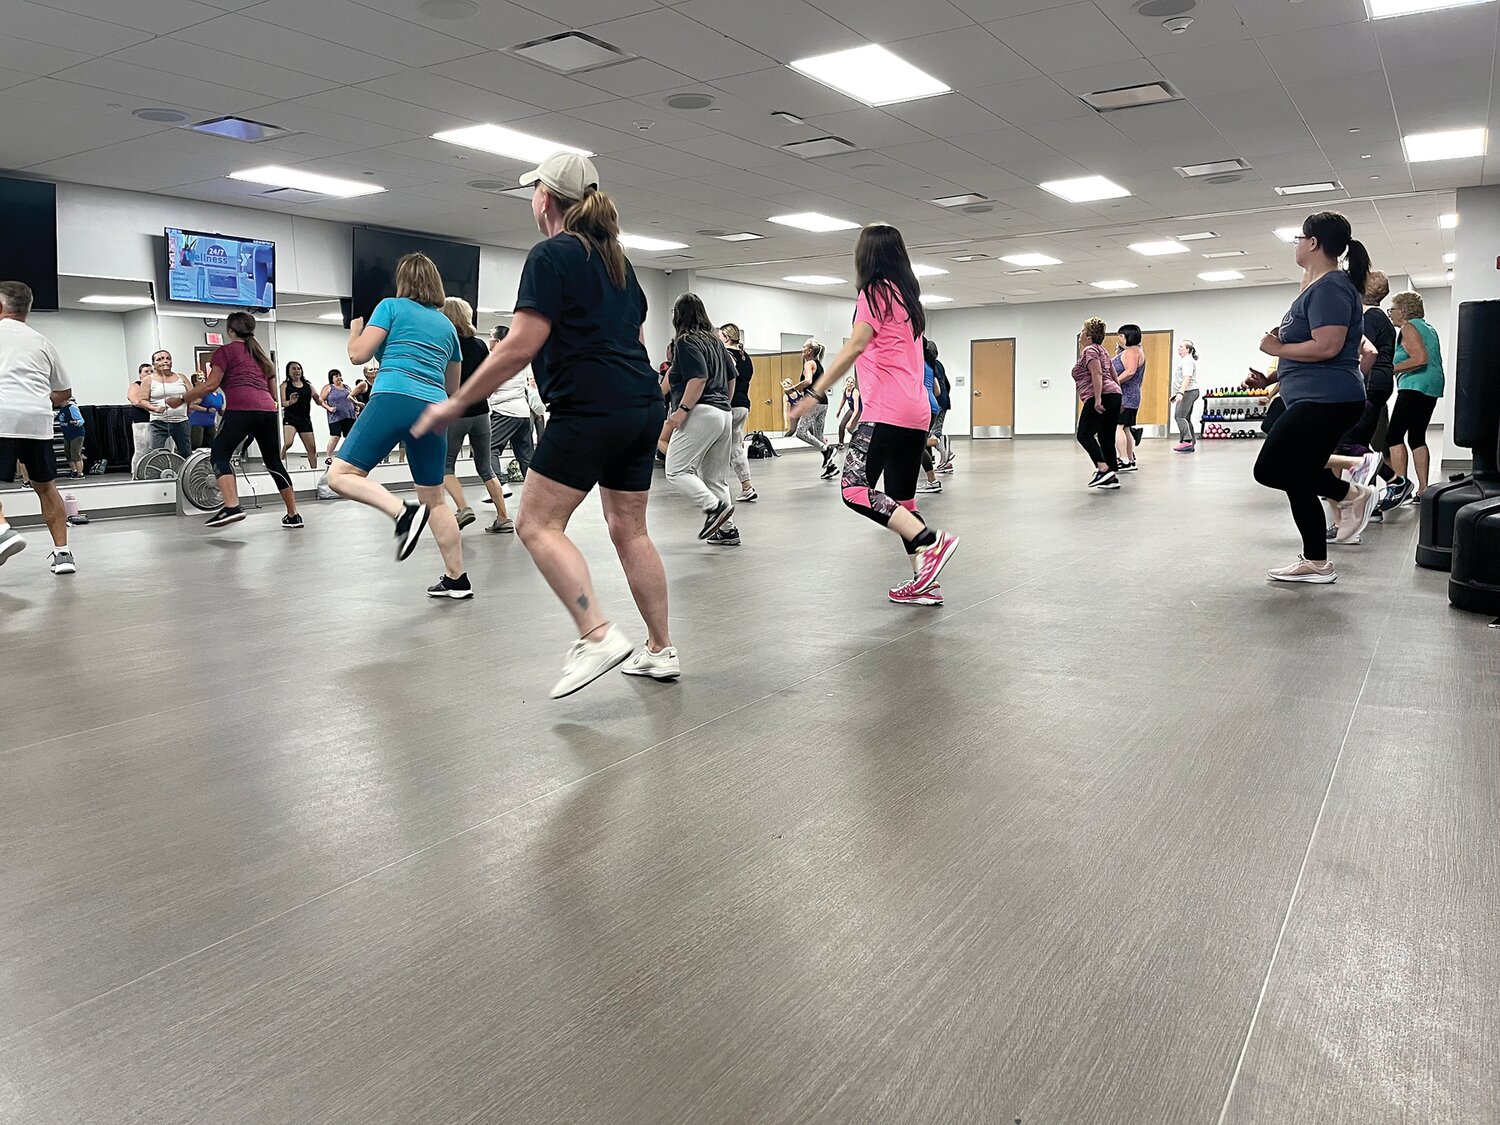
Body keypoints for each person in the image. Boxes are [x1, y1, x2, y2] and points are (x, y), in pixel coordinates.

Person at [411, 151, 676, 696]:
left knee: (535, 523)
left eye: (534, 191)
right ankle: (660, 649)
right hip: (640, 402)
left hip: (589, 406)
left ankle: (597, 633)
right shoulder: (619, 265)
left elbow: (520, 346)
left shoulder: (551, 254)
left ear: (547, 199)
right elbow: (637, 345)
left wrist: (455, 400)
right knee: (631, 530)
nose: (532, 200)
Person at [789, 223, 959, 606]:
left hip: (887, 409)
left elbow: (855, 346)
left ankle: (929, 541)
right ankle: (924, 581)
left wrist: (815, 393)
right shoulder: (907, 298)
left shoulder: (873, 293)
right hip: (916, 411)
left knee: (853, 488)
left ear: (865, 255)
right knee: (903, 501)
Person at [325, 254, 468, 597]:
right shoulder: (448, 326)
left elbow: (358, 356)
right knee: (435, 498)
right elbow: (453, 387)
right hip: (434, 409)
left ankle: (402, 513)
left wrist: (355, 331)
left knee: (339, 475)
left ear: (402, 282)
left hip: (393, 398)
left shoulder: (390, 306)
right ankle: (457, 580)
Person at [1249, 211, 1380, 583]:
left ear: (1314, 243)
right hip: (1315, 396)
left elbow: (1328, 347)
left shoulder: (1332, 287)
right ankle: (1316, 561)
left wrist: (1274, 346)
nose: (1296, 245)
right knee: (1297, 474)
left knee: (1272, 468)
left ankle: (1351, 491)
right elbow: (1315, 349)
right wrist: (1272, 375)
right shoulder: (1317, 286)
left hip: (1329, 399)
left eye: (1299, 239)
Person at [182, 311, 302, 531]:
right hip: (267, 410)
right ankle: (293, 514)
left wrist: (183, 398)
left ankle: (232, 506)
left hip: (241, 410)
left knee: (219, 454)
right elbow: (273, 393)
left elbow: (210, 385)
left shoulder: (225, 352)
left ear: (230, 330)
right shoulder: (262, 356)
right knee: (273, 461)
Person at [0, 281, 76, 575]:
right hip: (36, 421)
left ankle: (3, 530)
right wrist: (33, 397)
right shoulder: (42, 341)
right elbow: (63, 393)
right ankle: (63, 554)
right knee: (45, 487)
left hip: (2, 417)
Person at [664, 293, 737, 544]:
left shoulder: (685, 342)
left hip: (701, 411)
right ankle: (727, 530)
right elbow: (731, 377)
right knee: (716, 477)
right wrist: (724, 402)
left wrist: (681, 411)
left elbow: (698, 378)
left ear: (679, 315)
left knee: (676, 470)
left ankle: (713, 508)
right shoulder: (716, 342)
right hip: (723, 413)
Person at [438, 297, 514, 534]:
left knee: (445, 467)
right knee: (486, 468)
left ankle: (463, 508)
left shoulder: (446, 344)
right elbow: (489, 378)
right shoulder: (480, 345)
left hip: (457, 414)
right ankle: (503, 517)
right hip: (481, 413)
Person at [1383, 289, 1445, 508]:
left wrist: (1390, 369)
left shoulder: (1409, 328)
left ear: (1403, 311)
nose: (1390, 314)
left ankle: (1400, 487)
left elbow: (1420, 358)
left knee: (1393, 435)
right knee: (1417, 436)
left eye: (1392, 309)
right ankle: (1424, 489)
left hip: (1414, 386)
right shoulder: (1428, 328)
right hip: (1431, 386)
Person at [1073, 317, 1123, 489]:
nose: (1079, 333)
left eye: (1082, 330)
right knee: (1105, 436)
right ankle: (1111, 477)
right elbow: (1113, 374)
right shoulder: (1103, 351)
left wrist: (1098, 398)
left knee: (1084, 434)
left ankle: (1103, 468)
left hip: (1101, 395)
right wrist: (1119, 394)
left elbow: (1097, 374)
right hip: (1114, 394)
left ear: (1087, 335)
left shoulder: (1090, 351)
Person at [486, 325, 536, 489]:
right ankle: (535, 492)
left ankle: (498, 486)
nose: (489, 340)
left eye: (491, 336)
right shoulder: (520, 358)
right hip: (522, 413)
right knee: (525, 455)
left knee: (490, 448)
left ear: (499, 341)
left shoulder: (496, 359)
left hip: (505, 411)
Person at [787, 338, 837, 476]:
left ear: (809, 351)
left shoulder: (808, 363)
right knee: (819, 436)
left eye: (804, 347)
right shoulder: (818, 364)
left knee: (801, 432)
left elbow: (808, 381)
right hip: (823, 402)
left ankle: (827, 450)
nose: (802, 349)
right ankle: (831, 467)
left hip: (813, 402)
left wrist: (792, 388)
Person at [720, 322, 758, 503]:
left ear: (726, 337)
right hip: (743, 406)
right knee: (735, 447)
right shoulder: (746, 357)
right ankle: (747, 486)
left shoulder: (727, 355)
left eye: (720, 336)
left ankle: (715, 486)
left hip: (730, 405)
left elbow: (728, 379)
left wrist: (725, 401)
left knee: (720, 446)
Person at [142, 348, 191, 457]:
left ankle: (185, 473)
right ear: (154, 364)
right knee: (156, 454)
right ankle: (156, 474)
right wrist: (155, 408)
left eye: (168, 358)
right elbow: (142, 400)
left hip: (181, 422)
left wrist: (182, 399)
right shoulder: (149, 380)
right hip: (159, 422)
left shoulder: (181, 377)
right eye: (160, 359)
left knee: (186, 453)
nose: (165, 361)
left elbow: (193, 395)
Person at [1114, 324, 1145, 472]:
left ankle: (1124, 460)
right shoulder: (1134, 351)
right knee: (1125, 427)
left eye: (1121, 335)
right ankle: (1130, 459)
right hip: (1131, 395)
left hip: (1126, 396)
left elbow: (1130, 372)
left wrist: (1114, 383)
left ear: (1128, 336)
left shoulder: (1132, 351)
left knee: (1118, 426)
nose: (1118, 338)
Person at [280, 361, 318, 470]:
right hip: (291, 418)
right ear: (288, 371)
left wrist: (326, 405)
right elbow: (282, 403)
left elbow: (318, 399)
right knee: (288, 442)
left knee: (312, 448)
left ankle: (314, 470)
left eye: (298, 368)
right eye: (294, 368)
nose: (297, 371)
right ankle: (281, 458)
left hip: (305, 419)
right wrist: (290, 402)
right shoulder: (285, 385)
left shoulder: (308, 385)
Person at [916, 346, 943, 495]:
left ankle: (932, 481)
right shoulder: (930, 365)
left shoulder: (917, 363)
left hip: (922, 405)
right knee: (920, 442)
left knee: (917, 444)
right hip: (932, 405)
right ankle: (939, 442)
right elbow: (937, 390)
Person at [320, 369, 356, 464]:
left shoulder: (347, 387)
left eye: (339, 375)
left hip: (349, 415)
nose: (339, 377)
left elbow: (352, 397)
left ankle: (348, 456)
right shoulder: (329, 387)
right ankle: (328, 456)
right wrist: (329, 408)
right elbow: (321, 400)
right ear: (332, 378)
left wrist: (356, 407)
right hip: (335, 416)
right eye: (336, 376)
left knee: (350, 436)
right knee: (335, 436)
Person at [1171, 340, 1199, 452]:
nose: (1179, 348)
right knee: (1186, 418)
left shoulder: (1187, 361)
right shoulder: (1186, 360)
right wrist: (1176, 393)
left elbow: (1187, 378)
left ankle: (1186, 441)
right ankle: (1190, 442)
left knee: (1179, 416)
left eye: (1181, 346)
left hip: (1188, 392)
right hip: (1189, 392)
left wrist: (1180, 392)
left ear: (1188, 349)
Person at [187, 372, 223, 450]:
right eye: (200, 378)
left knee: (213, 445)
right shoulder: (204, 393)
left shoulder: (219, 396)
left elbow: (220, 411)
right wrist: (207, 410)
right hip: (197, 422)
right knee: (196, 444)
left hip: (210, 423)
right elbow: (192, 405)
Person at [127, 363, 152, 470]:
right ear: (140, 375)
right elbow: (136, 401)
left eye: (151, 371)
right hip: (141, 421)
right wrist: (154, 409)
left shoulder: (157, 386)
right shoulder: (135, 385)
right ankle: (136, 472)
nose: (149, 374)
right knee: (141, 449)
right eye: (146, 371)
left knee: (156, 449)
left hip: (156, 420)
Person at [58, 396, 85, 478]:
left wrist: (75, 422)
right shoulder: (61, 408)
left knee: (75, 454)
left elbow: (81, 421)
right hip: (67, 434)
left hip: (76, 434)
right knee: (68, 454)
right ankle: (74, 471)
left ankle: (80, 473)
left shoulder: (72, 407)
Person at [837, 373, 862, 448]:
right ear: (846, 382)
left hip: (859, 411)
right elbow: (843, 400)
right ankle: (841, 444)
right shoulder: (845, 390)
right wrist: (839, 410)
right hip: (851, 409)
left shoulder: (855, 392)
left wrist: (850, 421)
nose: (849, 383)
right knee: (841, 426)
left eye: (851, 382)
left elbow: (856, 409)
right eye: (848, 381)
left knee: (850, 428)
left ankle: (859, 441)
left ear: (853, 384)